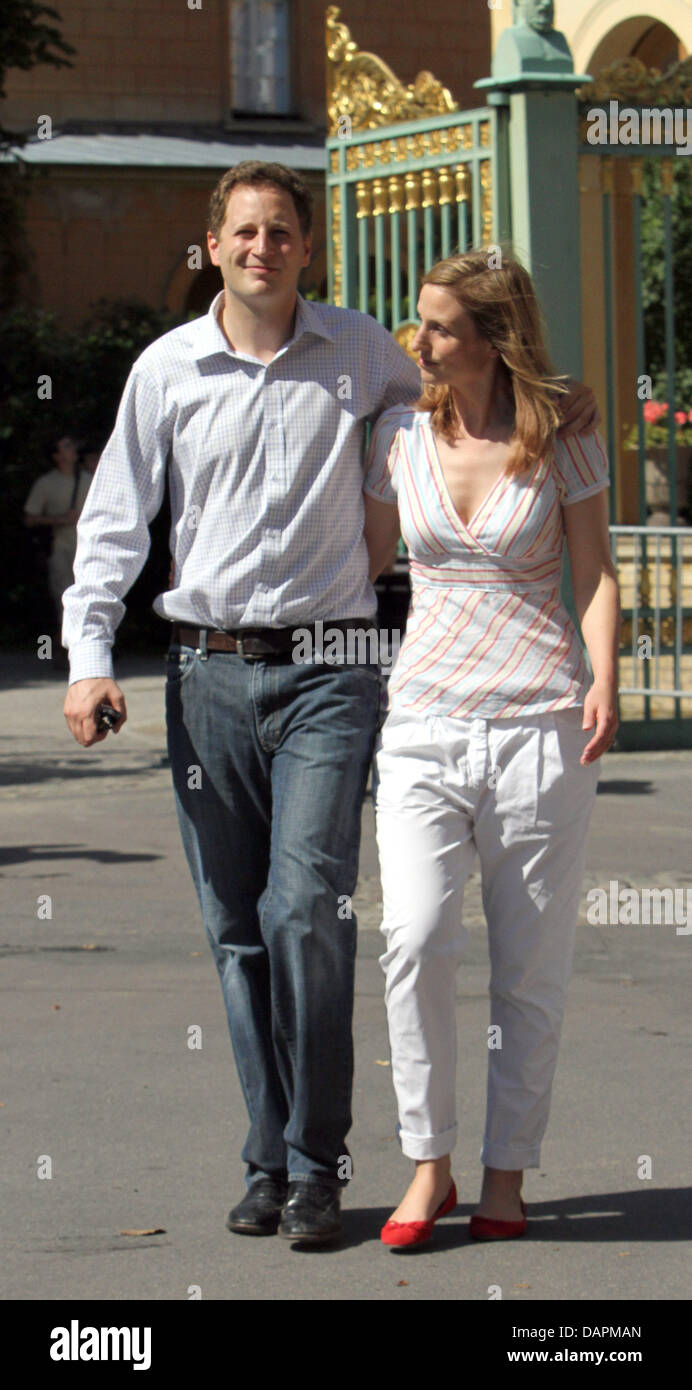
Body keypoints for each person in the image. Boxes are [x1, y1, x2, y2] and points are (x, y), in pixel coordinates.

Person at [62, 160, 600, 1247]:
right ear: (212, 245)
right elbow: (116, 518)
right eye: (244, 231)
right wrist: (86, 653)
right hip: (204, 672)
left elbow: (490, 400)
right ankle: (268, 1155)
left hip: (334, 670)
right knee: (236, 932)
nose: (262, 246)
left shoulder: (366, 352)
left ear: (307, 247)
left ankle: (319, 1162)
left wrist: (564, 393)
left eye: (281, 231)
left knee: (306, 906)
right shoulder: (164, 370)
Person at [363, 251, 620, 1248]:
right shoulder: (395, 432)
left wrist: (603, 679)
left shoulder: (564, 438)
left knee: (529, 967)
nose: (415, 342)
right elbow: (366, 556)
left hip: (539, 726)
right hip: (422, 718)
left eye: (436, 328)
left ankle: (504, 1171)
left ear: (491, 338)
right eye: (416, 322)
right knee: (413, 939)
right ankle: (427, 1164)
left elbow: (592, 574)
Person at [24, 435, 92, 662]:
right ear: (56, 456)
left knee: (90, 597)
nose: (72, 448)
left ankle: (86, 648)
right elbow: (30, 518)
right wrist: (60, 519)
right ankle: (69, 649)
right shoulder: (46, 484)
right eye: (66, 446)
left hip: (89, 550)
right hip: (60, 549)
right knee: (64, 597)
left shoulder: (90, 480)